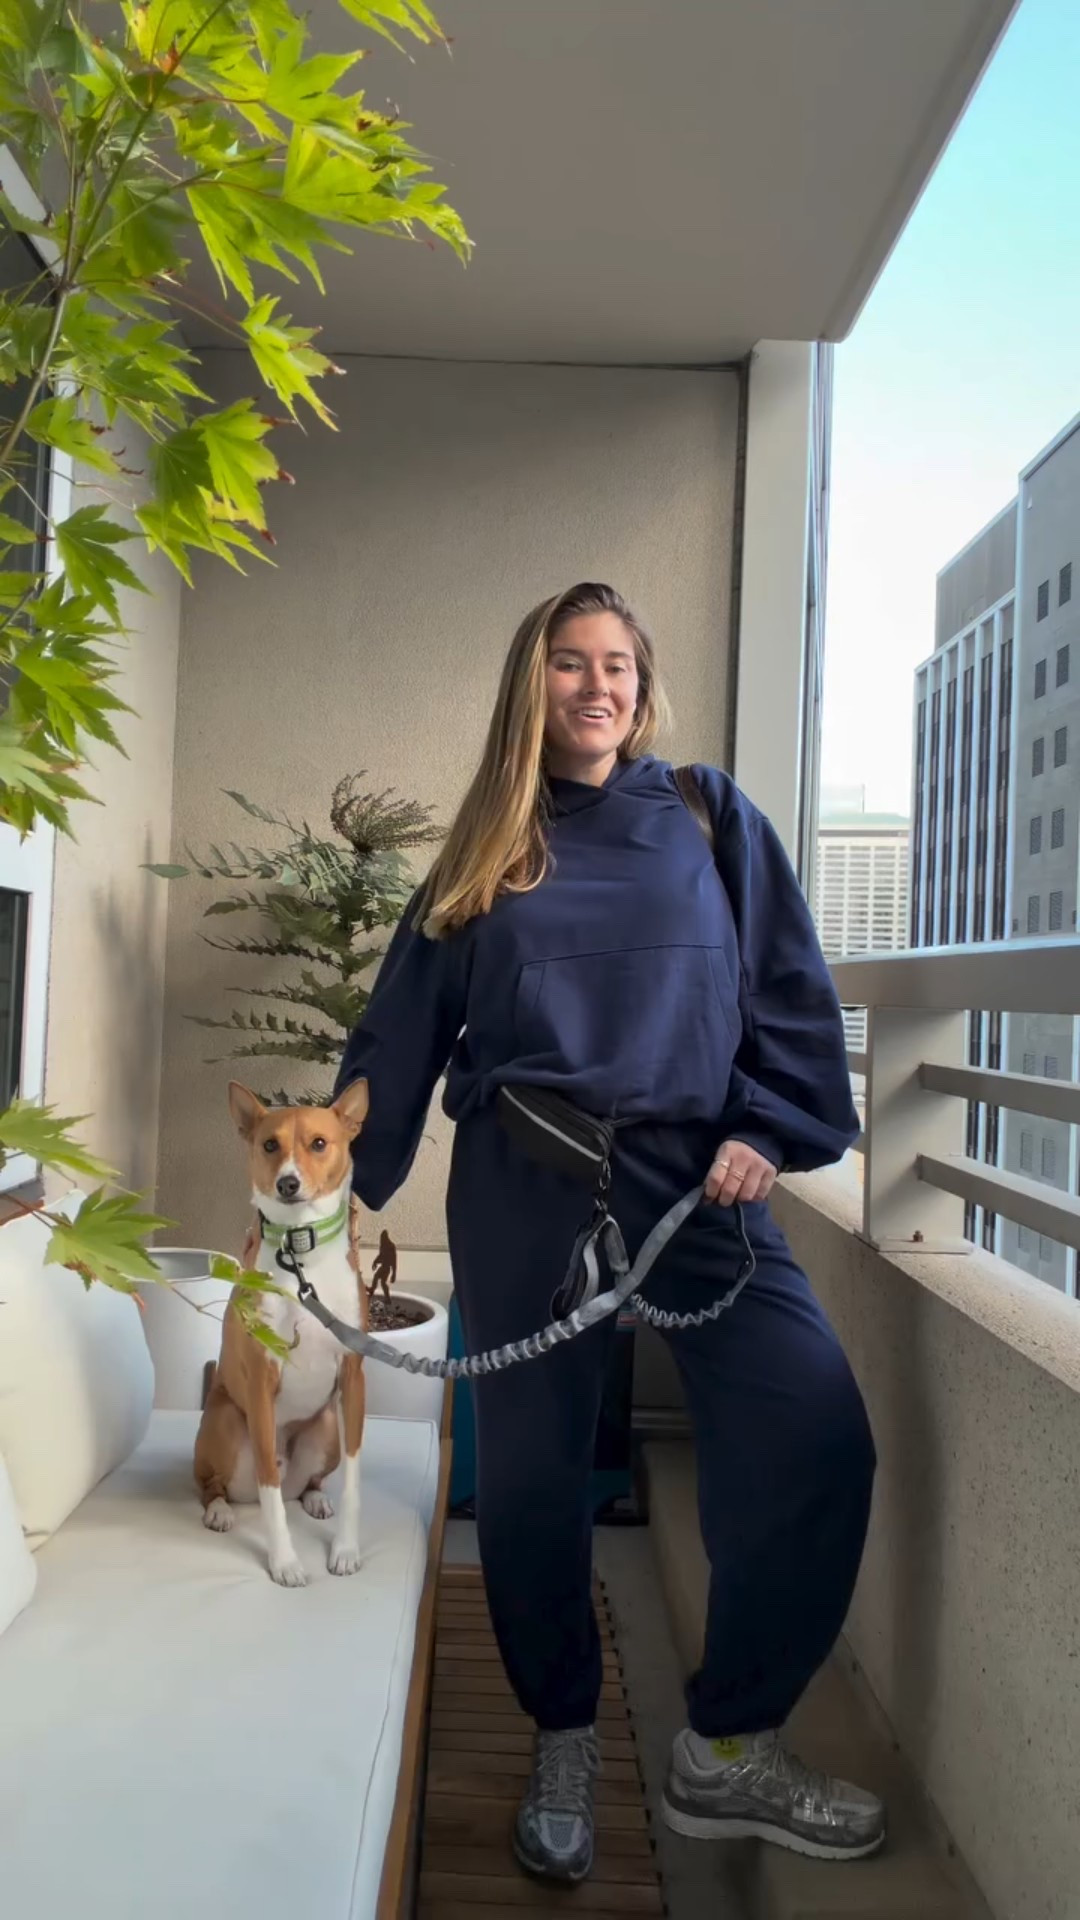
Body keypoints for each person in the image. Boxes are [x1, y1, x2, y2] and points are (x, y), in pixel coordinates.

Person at [334, 582, 880, 1884]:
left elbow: (789, 988)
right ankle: (564, 1730)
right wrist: (323, 1207)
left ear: (644, 685)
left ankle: (727, 1750)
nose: (596, 686)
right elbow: (397, 1034)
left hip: (703, 1184)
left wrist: (775, 1121)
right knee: (528, 1484)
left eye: (617, 664)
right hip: (527, 1183)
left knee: (815, 1432)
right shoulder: (489, 844)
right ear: (533, 684)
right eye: (569, 664)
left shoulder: (706, 815)